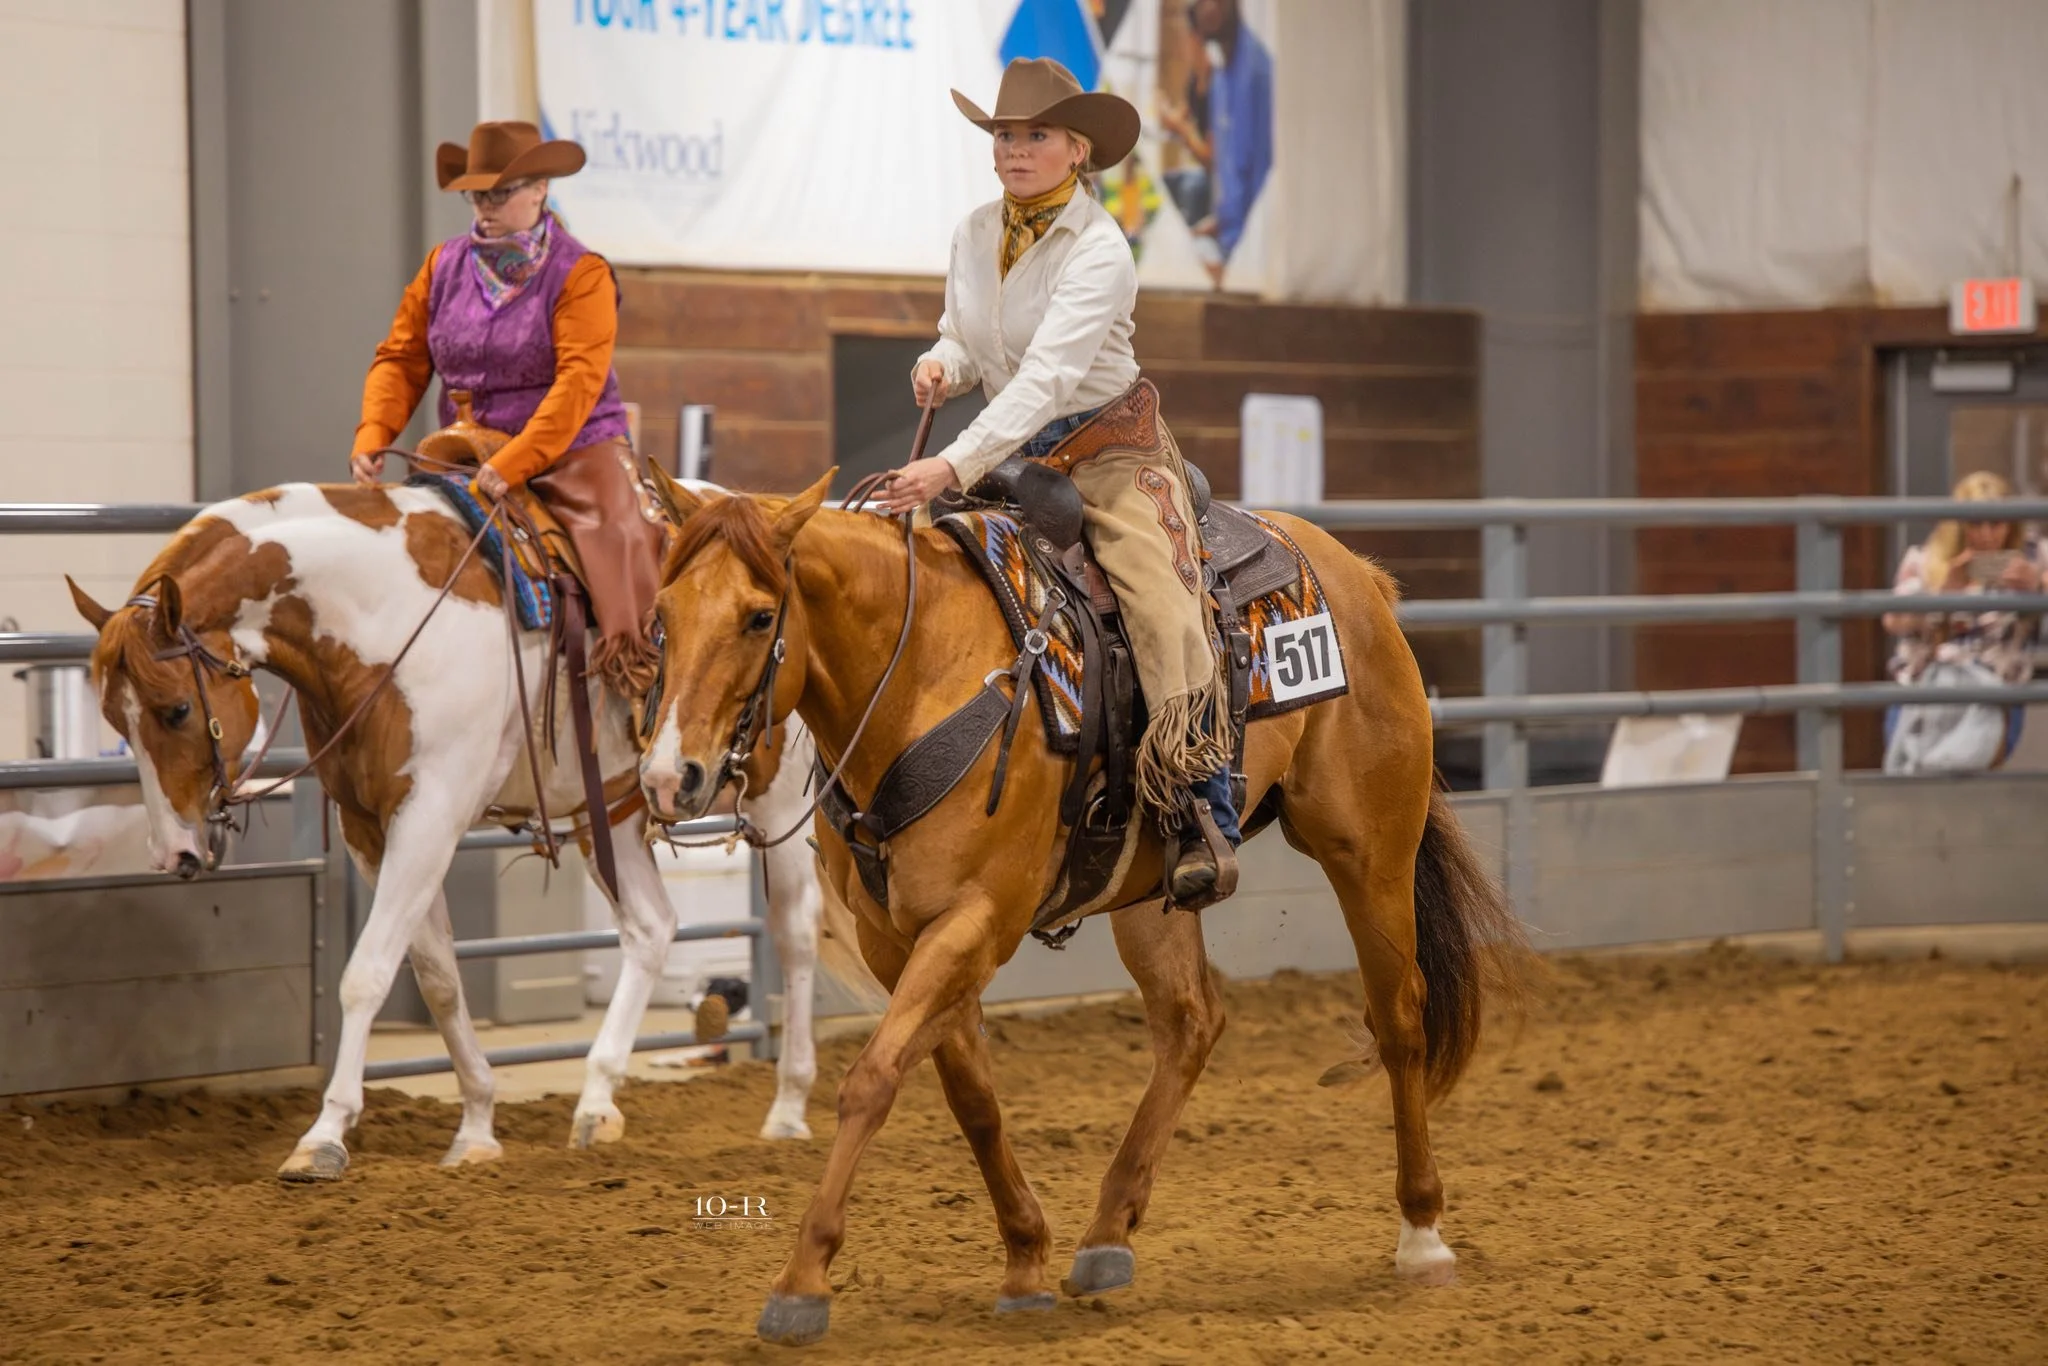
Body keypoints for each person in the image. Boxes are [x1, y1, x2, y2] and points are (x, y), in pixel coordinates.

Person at [875, 56, 1239, 905]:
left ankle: (1200, 804)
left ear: (1078, 151)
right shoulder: (973, 232)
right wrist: (941, 363)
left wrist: (951, 463)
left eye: (1035, 135)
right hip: (1017, 449)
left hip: (1108, 449)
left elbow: (1045, 377)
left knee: (1157, 592)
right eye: (1005, 134)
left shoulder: (1102, 249)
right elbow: (969, 341)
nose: (1014, 149)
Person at [350, 120, 664, 695]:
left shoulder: (581, 273)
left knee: (620, 537)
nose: (486, 207)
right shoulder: (441, 268)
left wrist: (517, 461)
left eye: (501, 192)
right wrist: (375, 431)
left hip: (575, 449)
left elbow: (578, 383)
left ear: (540, 189)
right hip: (468, 448)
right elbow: (400, 358)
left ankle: (645, 683)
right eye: (477, 195)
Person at [1880, 471, 2048, 773]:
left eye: (1995, 523)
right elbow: (1894, 621)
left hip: (1992, 689)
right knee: (1913, 782)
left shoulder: (2034, 557)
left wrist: (2037, 588)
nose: (1986, 535)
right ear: (1959, 524)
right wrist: (1945, 594)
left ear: (2010, 523)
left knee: (1964, 780)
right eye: (1975, 523)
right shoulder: (1926, 559)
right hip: (1927, 685)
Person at [1187, 0, 1272, 279]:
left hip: (1253, 255)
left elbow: (1266, 183)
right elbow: (1229, 177)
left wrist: (1236, 263)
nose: (1208, 8)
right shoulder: (1220, 79)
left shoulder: (1260, 74)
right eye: (1199, 3)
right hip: (1224, 242)